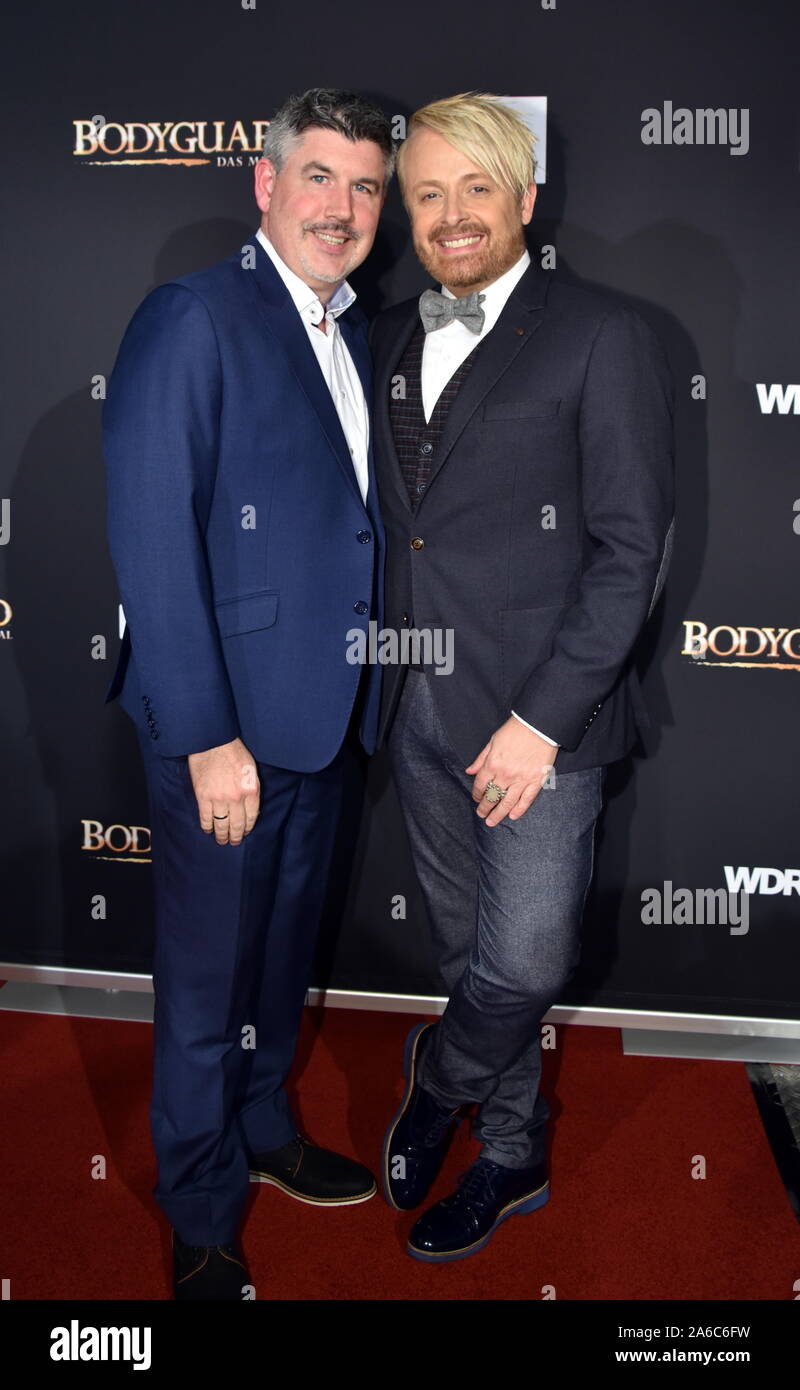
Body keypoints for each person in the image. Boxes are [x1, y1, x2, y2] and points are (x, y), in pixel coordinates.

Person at [372, 92, 675, 1262]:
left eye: (475, 189)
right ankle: (510, 1153)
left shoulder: (603, 334)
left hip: (538, 727)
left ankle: (439, 1076)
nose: (451, 217)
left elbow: (627, 552)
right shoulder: (389, 332)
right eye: (427, 193)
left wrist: (539, 724)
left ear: (524, 199)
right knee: (465, 951)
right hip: (414, 708)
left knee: (526, 957)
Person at [103, 88, 394, 1299]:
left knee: (277, 954)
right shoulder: (194, 316)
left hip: (323, 717)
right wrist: (206, 734)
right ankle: (202, 1203)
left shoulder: (357, 328)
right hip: (225, 728)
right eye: (318, 178)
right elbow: (151, 535)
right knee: (206, 974)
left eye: (365, 187)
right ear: (265, 186)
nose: (342, 207)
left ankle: (265, 1128)